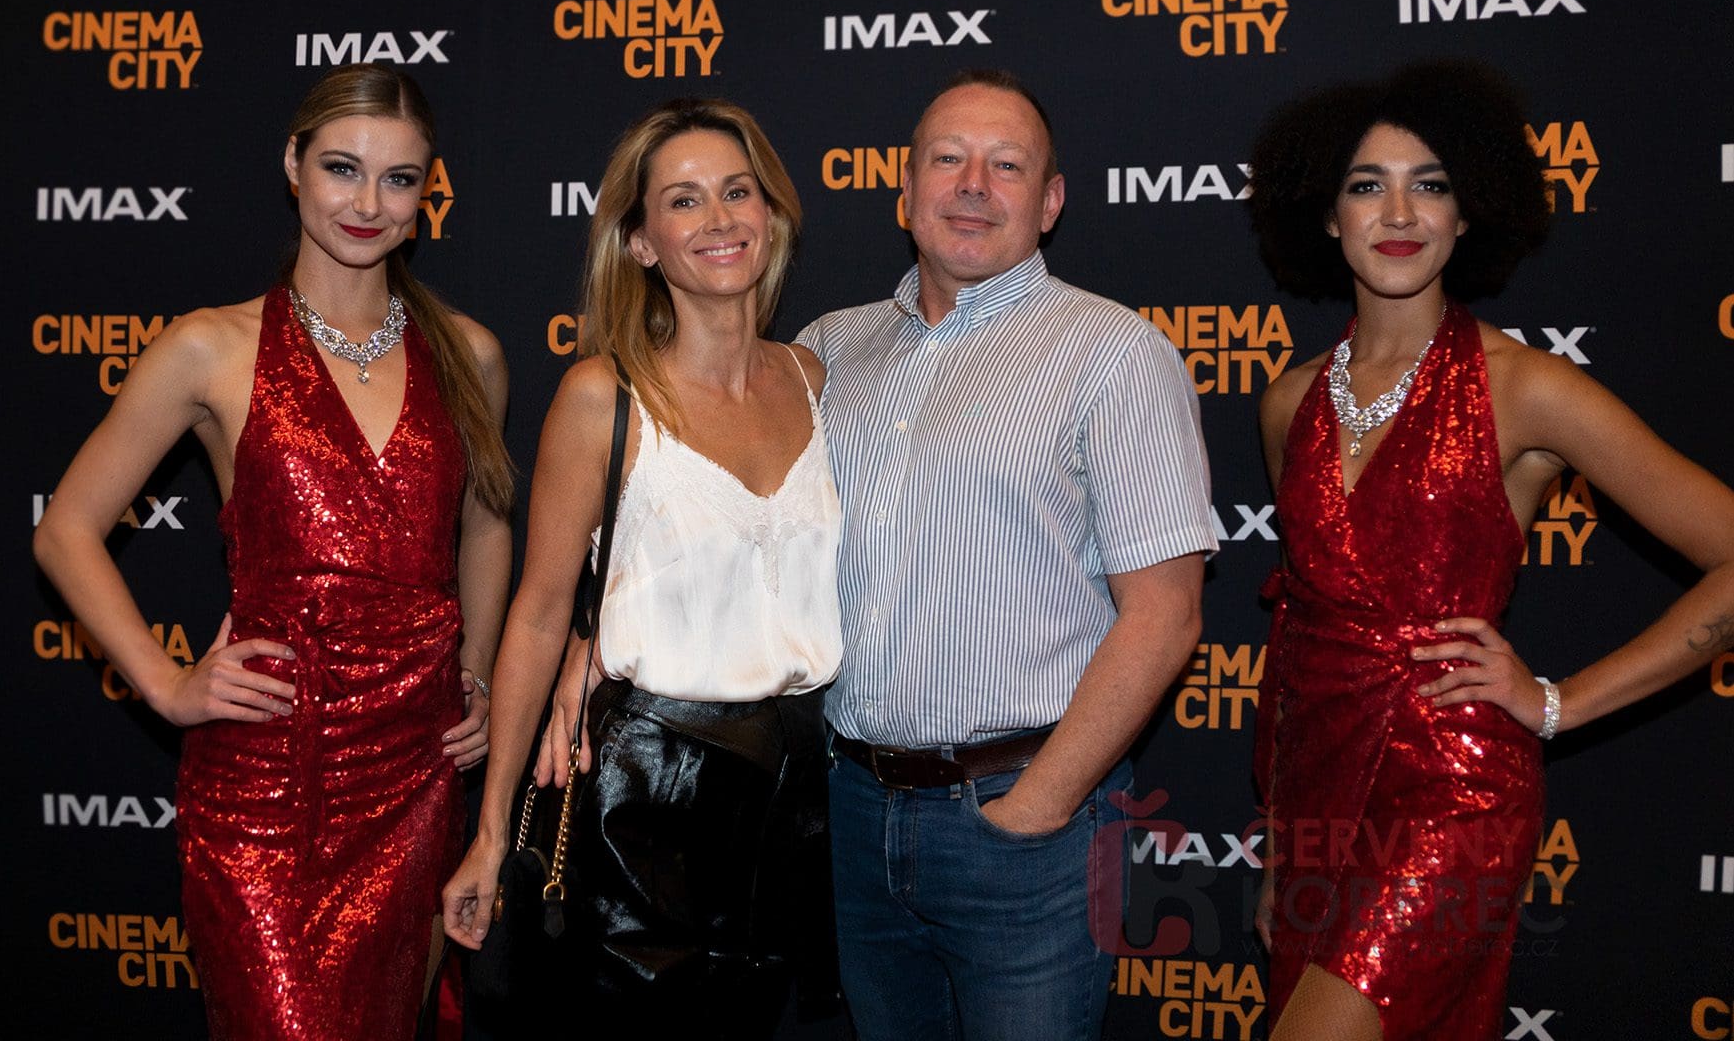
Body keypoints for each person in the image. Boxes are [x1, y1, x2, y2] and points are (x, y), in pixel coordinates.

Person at [1247, 58, 1734, 1041]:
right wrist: (1279, 842)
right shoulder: (1287, 402)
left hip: (1450, 794)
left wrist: (1559, 701)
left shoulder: (1524, 387)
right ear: (1326, 215)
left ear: (1468, 212)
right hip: (1315, 798)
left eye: (1430, 184)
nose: (1399, 212)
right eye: (1366, 184)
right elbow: (1301, 633)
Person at [33, 63, 514, 1040]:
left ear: (427, 192)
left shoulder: (470, 353)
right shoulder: (209, 347)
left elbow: (487, 523)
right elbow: (66, 529)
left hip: (416, 774)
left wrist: (475, 675)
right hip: (267, 783)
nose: (367, 204)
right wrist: (167, 685)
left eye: (398, 179)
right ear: (293, 165)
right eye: (342, 168)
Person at [795, 69, 1216, 1040]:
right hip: (851, 813)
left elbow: (1166, 615)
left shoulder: (1113, 353)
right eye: (948, 159)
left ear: (1050, 201)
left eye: (1007, 165)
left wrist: (1040, 805)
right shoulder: (827, 349)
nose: (973, 185)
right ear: (905, 190)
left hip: (1025, 827)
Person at [442, 99, 841, 1034]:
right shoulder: (602, 395)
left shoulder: (815, 378)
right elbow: (539, 612)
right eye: (684, 200)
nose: (718, 220)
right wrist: (492, 831)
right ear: (641, 242)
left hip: (793, 797)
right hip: (643, 795)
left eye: (737, 192)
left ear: (771, 213)